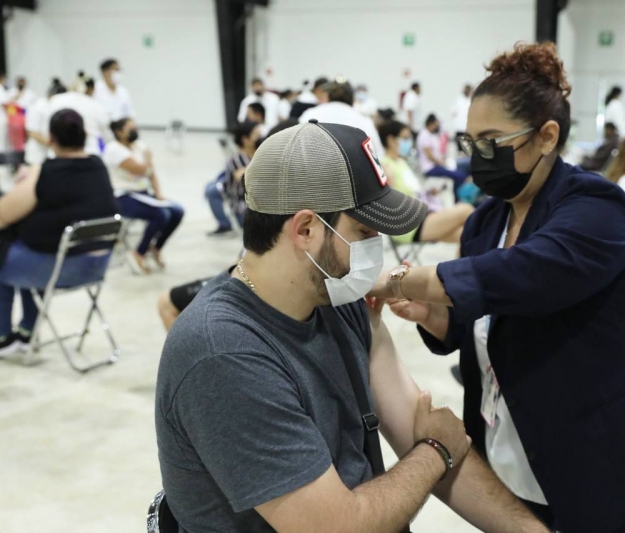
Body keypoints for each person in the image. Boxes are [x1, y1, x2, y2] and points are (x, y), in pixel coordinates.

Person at [368, 42, 625, 533]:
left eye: (491, 141)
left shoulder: (596, 206)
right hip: (522, 453)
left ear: (546, 136)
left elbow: (524, 276)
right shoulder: (486, 221)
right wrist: (437, 317)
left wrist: (398, 278)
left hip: (614, 457)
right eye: (470, 143)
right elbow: (480, 321)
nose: (477, 157)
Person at [156, 120, 548, 533]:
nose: (376, 245)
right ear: (306, 229)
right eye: (364, 230)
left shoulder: (336, 299)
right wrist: (435, 450)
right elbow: (337, 526)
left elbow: (412, 423)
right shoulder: (222, 353)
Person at [0, 110, 118, 356]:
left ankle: (3, 336)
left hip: (55, 270)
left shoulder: (45, 173)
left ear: (50, 138)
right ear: (84, 135)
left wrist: (26, 180)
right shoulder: (99, 168)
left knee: (9, 246)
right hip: (95, 268)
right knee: (31, 244)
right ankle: (28, 331)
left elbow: (3, 216)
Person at [104, 118, 184, 273]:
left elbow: (151, 173)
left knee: (177, 211)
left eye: (136, 128)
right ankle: (139, 253)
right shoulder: (113, 149)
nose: (135, 131)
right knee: (161, 215)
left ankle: (156, 248)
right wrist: (148, 157)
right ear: (119, 132)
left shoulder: (139, 146)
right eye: (131, 129)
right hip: (123, 196)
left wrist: (159, 194)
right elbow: (140, 169)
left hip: (144, 194)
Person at [379, 119, 475, 245]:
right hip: (407, 224)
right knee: (466, 210)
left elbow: (412, 191)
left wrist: (427, 193)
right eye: (405, 138)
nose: (409, 142)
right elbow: (389, 204)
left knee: (467, 236)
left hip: (419, 215)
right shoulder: (385, 167)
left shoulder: (401, 162)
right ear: (391, 140)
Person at [299, 79, 384, 158]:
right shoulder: (364, 121)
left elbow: (297, 143)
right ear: (352, 99)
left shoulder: (310, 114)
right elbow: (378, 155)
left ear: (328, 96)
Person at [205, 121, 262, 236]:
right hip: (244, 206)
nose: (260, 137)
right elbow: (245, 180)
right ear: (245, 139)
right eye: (256, 135)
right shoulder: (237, 160)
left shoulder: (257, 155)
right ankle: (225, 225)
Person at [46, 76, 110, 156]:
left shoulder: (55, 100)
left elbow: (47, 129)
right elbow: (107, 136)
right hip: (88, 155)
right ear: (90, 89)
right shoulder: (95, 105)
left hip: (57, 155)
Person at [417, 114, 468, 197]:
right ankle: (457, 199)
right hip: (430, 168)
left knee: (460, 170)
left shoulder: (430, 135)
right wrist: (441, 163)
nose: (437, 127)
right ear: (430, 124)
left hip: (436, 165)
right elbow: (430, 156)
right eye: (436, 125)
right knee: (459, 176)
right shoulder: (424, 135)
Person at [24, 80, 67, 165]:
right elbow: (32, 132)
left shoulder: (58, 106)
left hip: (52, 153)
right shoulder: (37, 106)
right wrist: (52, 144)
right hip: (37, 155)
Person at [452, 84, 473, 151]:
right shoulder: (458, 100)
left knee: (468, 149)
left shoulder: (471, 100)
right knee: (460, 148)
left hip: (468, 129)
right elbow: (453, 113)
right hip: (459, 128)